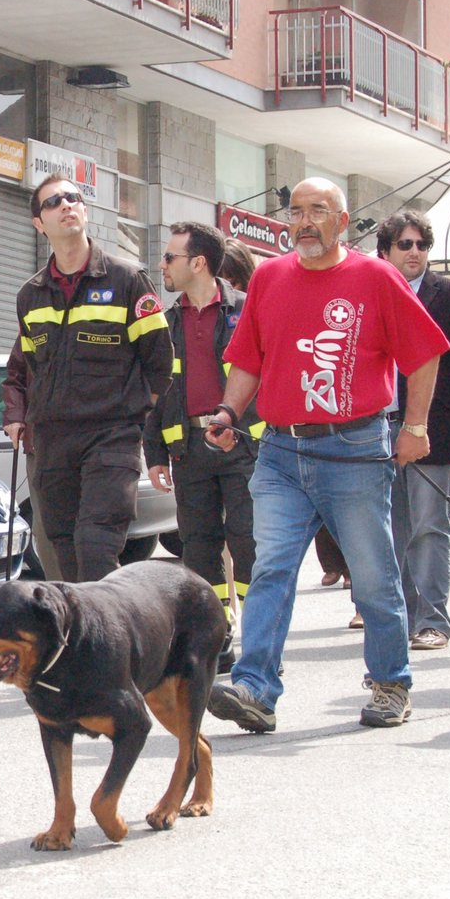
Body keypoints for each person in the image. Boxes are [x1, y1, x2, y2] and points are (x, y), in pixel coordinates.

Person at [204, 178, 449, 732]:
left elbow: (426, 353)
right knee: (269, 570)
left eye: (319, 210)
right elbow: (249, 358)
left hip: (356, 447)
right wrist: (227, 414)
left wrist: (415, 425)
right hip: (281, 450)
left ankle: (390, 683)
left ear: (342, 222)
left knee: (373, 575)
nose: (306, 220)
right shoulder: (268, 276)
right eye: (297, 211)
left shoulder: (376, 276)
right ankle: (255, 689)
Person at [14, 172, 173, 582]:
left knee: (96, 543)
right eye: (53, 202)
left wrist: (137, 417)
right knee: (64, 547)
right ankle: (82, 642)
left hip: (111, 435)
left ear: (84, 210)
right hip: (53, 441)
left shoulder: (127, 280)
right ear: (38, 224)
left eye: (73, 198)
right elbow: (26, 366)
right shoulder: (30, 294)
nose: (66, 205)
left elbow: (161, 361)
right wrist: (21, 415)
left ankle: (111, 642)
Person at [144, 222, 260, 664]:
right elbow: (154, 390)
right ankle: (218, 636)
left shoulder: (246, 310)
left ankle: (261, 638)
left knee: (249, 542)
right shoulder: (164, 320)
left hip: (244, 446)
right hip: (189, 449)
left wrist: (243, 428)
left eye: (169, 257)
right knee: (198, 546)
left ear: (198, 263)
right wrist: (154, 453)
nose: (162, 265)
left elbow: (264, 375)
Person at [377, 210, 450, 651]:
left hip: (433, 432)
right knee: (386, 530)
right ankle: (397, 614)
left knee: (430, 528)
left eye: (422, 245)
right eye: (405, 244)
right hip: (376, 430)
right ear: (385, 251)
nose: (415, 252)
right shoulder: (370, 290)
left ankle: (433, 620)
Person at [0, 339, 62, 581]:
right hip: (41, 445)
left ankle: (92, 600)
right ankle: (62, 592)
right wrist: (15, 415)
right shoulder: (36, 312)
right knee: (46, 529)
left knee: (93, 531)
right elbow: (15, 376)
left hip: (92, 441)